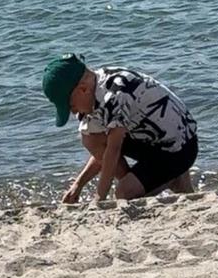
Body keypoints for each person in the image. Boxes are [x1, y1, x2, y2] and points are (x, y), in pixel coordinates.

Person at [42, 54, 198, 203]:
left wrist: (99, 198)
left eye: (71, 106)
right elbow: (102, 150)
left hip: (179, 149)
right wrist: (78, 184)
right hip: (149, 141)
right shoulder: (95, 89)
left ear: (83, 89)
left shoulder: (115, 95)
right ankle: (147, 183)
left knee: (123, 193)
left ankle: (170, 180)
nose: (73, 112)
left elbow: (113, 149)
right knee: (90, 138)